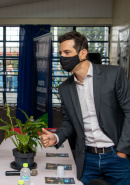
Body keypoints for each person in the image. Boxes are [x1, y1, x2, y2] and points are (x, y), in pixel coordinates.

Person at [40, 31, 130, 185]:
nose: (63, 57)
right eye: (61, 53)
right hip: (87, 159)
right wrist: (56, 137)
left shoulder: (114, 75)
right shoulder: (65, 88)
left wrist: (122, 150)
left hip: (116, 156)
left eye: (67, 52)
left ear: (83, 53)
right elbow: (69, 121)